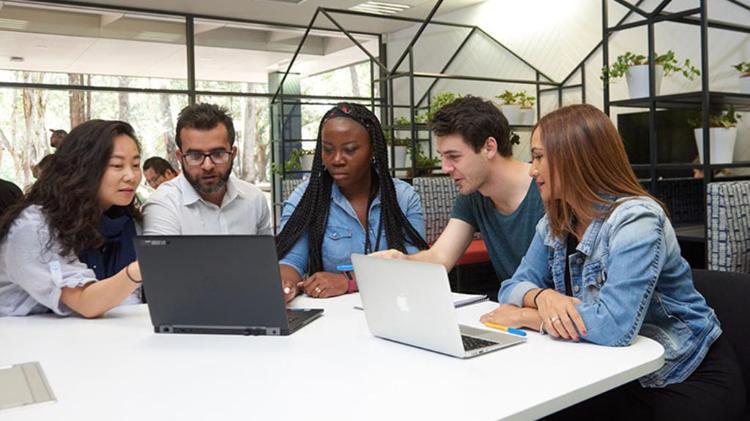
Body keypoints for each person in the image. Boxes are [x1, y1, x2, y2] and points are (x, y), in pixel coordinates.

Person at [481, 104, 745, 420]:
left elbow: (612, 327)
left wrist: (528, 316)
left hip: (683, 376)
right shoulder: (556, 220)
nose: (532, 169)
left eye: (538, 157)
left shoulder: (638, 220)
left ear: (574, 158)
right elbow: (511, 285)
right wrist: (543, 296)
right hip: (615, 371)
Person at [374, 95, 545, 286]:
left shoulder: (545, 189)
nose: (445, 167)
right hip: (515, 305)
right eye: (442, 157)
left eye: (453, 156)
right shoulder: (473, 195)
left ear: (489, 147)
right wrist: (402, 261)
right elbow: (440, 257)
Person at [277, 103, 428, 302]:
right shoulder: (307, 197)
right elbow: (292, 260)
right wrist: (285, 285)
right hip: (334, 316)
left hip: (395, 306)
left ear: (373, 149)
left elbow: (416, 266)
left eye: (350, 150)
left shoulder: (403, 197)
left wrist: (350, 281)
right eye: (328, 150)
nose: (337, 159)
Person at [0, 120, 145, 318]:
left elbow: (129, 304)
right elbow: (85, 302)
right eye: (117, 165)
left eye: (136, 165)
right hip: (25, 341)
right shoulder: (35, 227)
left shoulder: (126, 222)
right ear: (82, 167)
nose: (131, 176)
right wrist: (144, 266)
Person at [142, 103, 271, 235]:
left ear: (233, 154)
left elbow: (265, 255)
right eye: (195, 156)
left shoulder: (254, 199)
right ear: (180, 157)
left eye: (218, 154)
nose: (207, 166)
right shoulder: (163, 205)